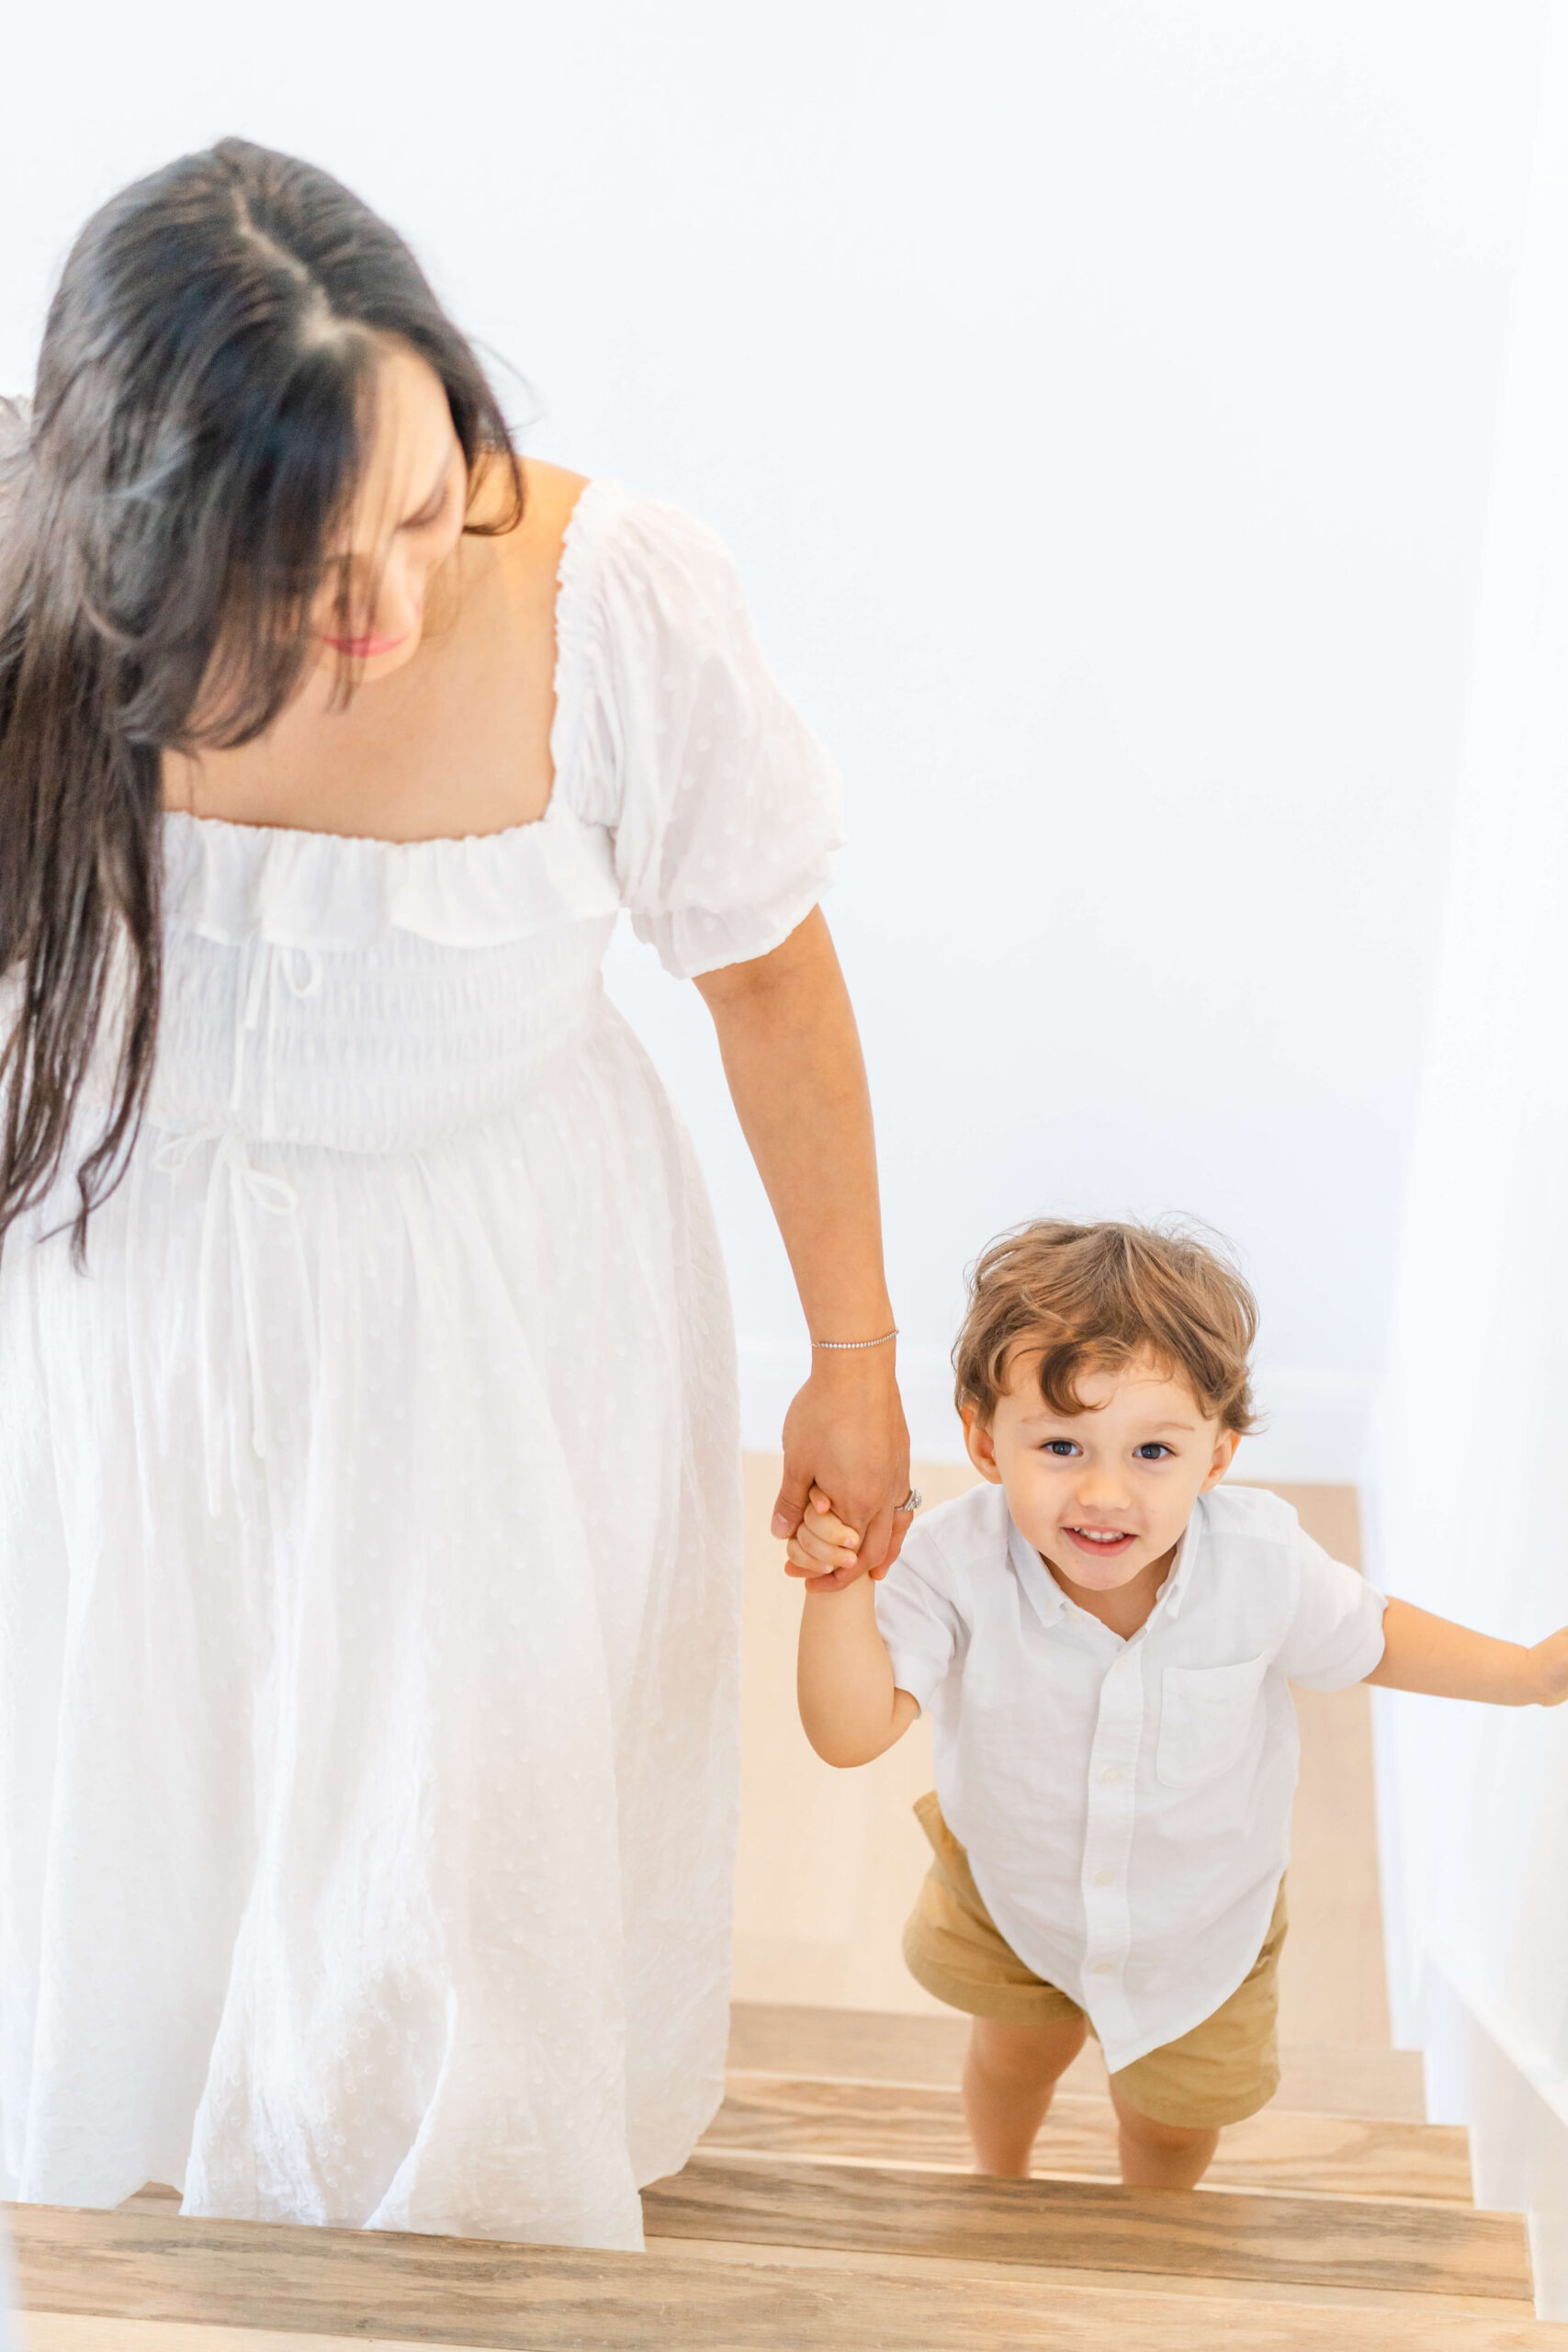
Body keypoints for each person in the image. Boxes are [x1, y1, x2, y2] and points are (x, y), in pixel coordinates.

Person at [0, 139, 912, 2249]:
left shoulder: (622, 602)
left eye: (420, 508)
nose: (390, 607)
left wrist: (851, 1357)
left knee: (456, 1814)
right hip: (127, 1308)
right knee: (160, 1774)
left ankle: (455, 2221)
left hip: (495, 1325)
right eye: (298, 574)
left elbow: (766, 979)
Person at [792, 1218, 1568, 2188]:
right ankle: (1001, 2186)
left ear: (1220, 1452)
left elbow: (1374, 1634)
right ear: (986, 1442)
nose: (1106, 1492)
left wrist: (1531, 1676)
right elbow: (849, 1731)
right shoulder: (952, 1561)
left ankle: (1151, 2236)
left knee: (1169, 2125)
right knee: (1011, 2060)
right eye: (1063, 1444)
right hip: (1014, 1900)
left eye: (1153, 1450)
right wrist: (837, 1591)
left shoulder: (1263, 1562)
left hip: (1203, 1929)